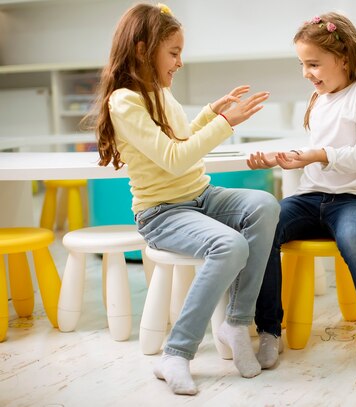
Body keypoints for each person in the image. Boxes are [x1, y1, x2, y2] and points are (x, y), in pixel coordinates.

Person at [86, 3, 280, 395]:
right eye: (173, 53)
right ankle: (177, 353)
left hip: (200, 195)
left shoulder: (159, 92)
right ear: (143, 50)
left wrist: (211, 113)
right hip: (161, 212)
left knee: (265, 206)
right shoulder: (124, 101)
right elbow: (175, 160)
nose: (180, 62)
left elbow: (180, 139)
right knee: (229, 245)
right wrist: (227, 123)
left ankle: (237, 323)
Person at [247, 12, 356, 378]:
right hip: (312, 196)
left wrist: (319, 155)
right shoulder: (318, 99)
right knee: (261, 225)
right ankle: (269, 330)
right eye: (302, 64)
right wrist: (284, 160)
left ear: (343, 57)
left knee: (353, 239)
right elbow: (317, 153)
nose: (306, 73)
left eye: (313, 64)